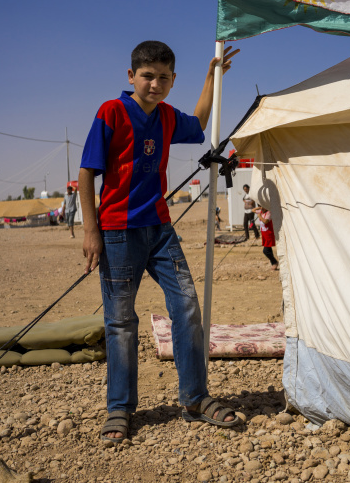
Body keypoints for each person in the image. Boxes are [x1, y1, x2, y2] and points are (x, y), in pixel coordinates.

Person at [79, 40, 240, 444]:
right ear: (131, 76)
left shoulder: (168, 117)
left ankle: (195, 398)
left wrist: (212, 77)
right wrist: (91, 231)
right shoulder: (111, 113)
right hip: (117, 232)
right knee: (120, 322)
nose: (155, 84)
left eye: (164, 78)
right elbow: (86, 174)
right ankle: (119, 408)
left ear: (172, 81)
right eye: (148, 76)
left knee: (186, 306)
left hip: (160, 229)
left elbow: (200, 123)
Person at [254, 205, 278, 270]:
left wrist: (260, 217)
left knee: (266, 251)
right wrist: (260, 207)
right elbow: (253, 210)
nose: (262, 208)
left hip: (269, 234)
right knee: (269, 250)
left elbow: (266, 221)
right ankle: (273, 264)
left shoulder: (269, 213)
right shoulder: (261, 211)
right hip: (264, 234)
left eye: (263, 206)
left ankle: (275, 262)